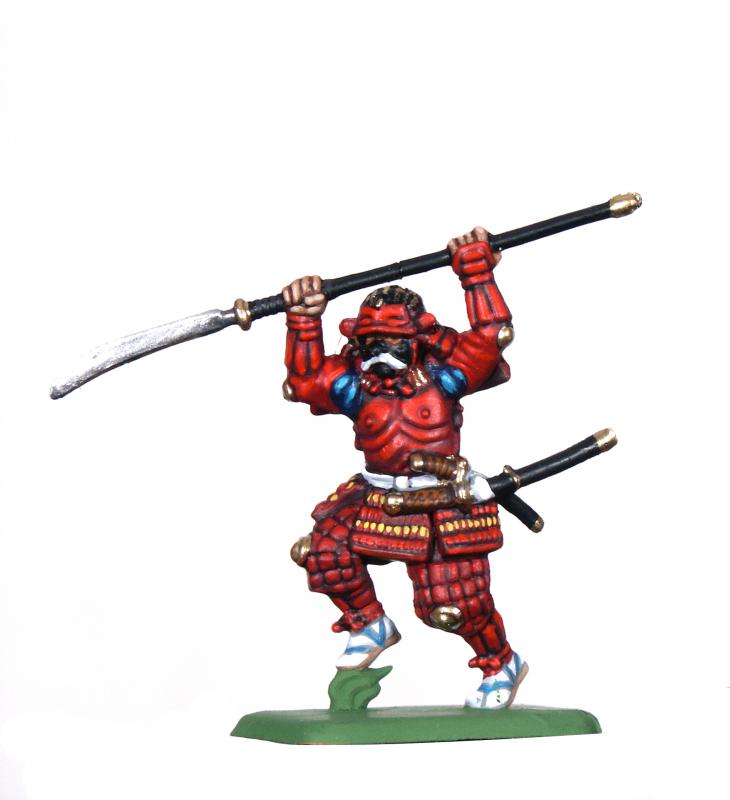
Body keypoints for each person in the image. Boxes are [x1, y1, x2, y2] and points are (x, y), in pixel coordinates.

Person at [282, 227, 527, 709]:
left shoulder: (444, 376)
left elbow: (490, 337)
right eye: (371, 342)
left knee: (451, 606)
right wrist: (304, 320)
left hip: (441, 496)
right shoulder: (356, 384)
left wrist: (475, 273)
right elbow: (305, 379)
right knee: (323, 553)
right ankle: (369, 623)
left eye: (393, 342)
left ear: (417, 341)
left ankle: (500, 662)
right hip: (374, 493)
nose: (381, 353)